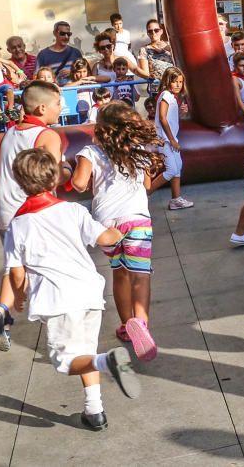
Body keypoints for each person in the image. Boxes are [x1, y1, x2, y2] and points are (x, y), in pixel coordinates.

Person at [3, 148, 140, 431]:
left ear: (18, 182)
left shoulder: (18, 225)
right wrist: (121, 227)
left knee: (66, 361)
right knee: (84, 352)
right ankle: (95, 411)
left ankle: (107, 362)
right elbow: (106, 236)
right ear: (55, 179)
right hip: (90, 294)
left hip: (59, 300)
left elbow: (16, 272)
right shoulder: (74, 210)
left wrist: (19, 295)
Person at [70, 102, 162, 360]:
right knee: (140, 275)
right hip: (137, 221)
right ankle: (140, 323)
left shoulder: (89, 152)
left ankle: (126, 325)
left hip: (106, 225)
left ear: (100, 129)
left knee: (119, 273)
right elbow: (146, 185)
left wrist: (69, 171)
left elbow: (78, 185)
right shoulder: (138, 150)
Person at [0, 80, 73, 352]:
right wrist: (71, 169)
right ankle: (62, 327)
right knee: (51, 265)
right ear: (42, 107)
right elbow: (53, 176)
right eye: (59, 104)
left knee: (13, 265)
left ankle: (4, 313)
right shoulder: (48, 136)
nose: (63, 108)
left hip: (5, 206)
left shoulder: (11, 132)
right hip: (32, 208)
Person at [152, 67, 193, 210]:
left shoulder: (173, 97)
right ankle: (145, 193)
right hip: (164, 140)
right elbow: (163, 119)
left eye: (180, 82)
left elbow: (171, 118)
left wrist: (181, 112)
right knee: (171, 170)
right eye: (175, 82)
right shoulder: (166, 95)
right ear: (168, 81)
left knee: (177, 168)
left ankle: (176, 199)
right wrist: (172, 139)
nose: (178, 85)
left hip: (170, 139)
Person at [36, 21, 84, 86]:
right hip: (53, 92)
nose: (66, 37)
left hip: (76, 90)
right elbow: (36, 77)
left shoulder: (76, 52)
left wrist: (72, 72)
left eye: (69, 34)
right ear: (54, 33)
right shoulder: (43, 54)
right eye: (62, 33)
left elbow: (84, 72)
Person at [137, 19, 174, 93]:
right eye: (150, 31)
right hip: (156, 89)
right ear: (148, 33)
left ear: (161, 31)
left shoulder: (171, 45)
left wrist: (168, 48)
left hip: (172, 87)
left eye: (156, 30)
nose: (153, 33)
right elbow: (145, 72)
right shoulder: (144, 50)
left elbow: (179, 62)